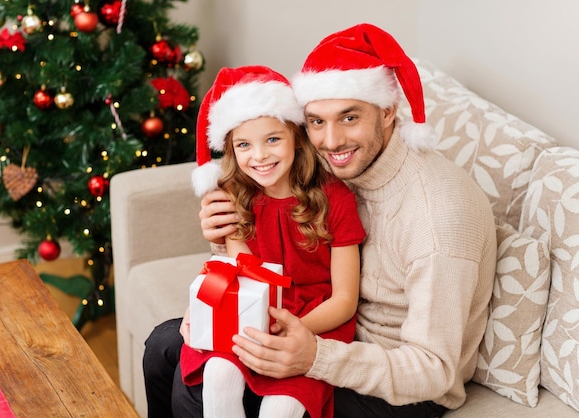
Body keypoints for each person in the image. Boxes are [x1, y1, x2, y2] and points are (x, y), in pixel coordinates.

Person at [143, 23, 497, 418]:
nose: (330, 141)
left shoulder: (438, 216)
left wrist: (313, 356)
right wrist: (222, 249)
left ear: (388, 111)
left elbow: (435, 371)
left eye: (349, 118)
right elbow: (278, 235)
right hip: (317, 321)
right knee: (163, 346)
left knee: (194, 389)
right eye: (316, 121)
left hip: (395, 381)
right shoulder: (329, 168)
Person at [181, 65, 366, 418]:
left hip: (313, 320)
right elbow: (243, 273)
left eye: (273, 139)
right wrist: (208, 309)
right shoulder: (234, 195)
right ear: (232, 150)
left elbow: (344, 299)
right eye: (244, 145)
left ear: (296, 136)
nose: (260, 156)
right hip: (255, 311)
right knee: (218, 374)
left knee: (282, 407)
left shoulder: (336, 199)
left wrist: (294, 330)